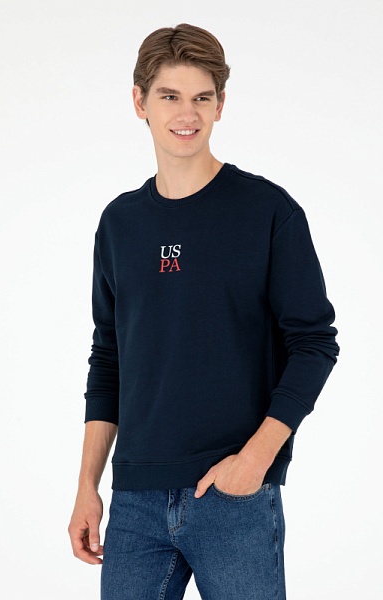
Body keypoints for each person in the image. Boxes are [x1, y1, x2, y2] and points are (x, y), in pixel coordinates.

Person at [68, 23, 339, 599]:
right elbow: (107, 358)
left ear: (220, 105)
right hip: (135, 501)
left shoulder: (267, 211)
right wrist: (87, 486)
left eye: (202, 97)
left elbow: (315, 343)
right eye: (169, 95)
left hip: (234, 494)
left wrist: (255, 460)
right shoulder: (119, 223)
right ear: (139, 101)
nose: (186, 113)